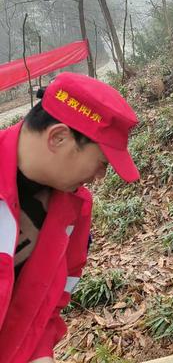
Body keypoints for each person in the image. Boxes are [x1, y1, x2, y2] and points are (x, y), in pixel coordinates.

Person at [0, 72, 139, 362]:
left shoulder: (76, 208)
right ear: (59, 137)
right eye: (102, 163)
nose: (100, 176)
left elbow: (52, 298)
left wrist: (38, 352)